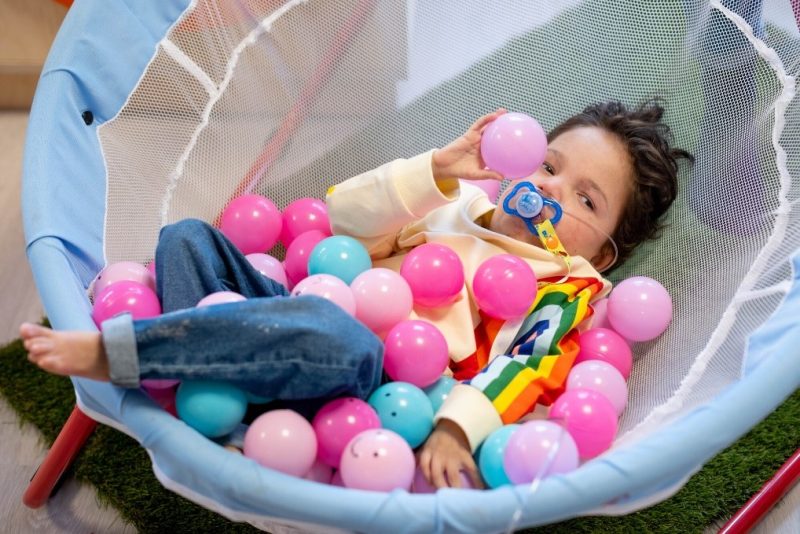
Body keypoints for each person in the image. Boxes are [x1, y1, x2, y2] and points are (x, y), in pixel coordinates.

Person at [20, 99, 692, 489]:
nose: (550, 188)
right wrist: (435, 170)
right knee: (187, 239)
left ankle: (132, 355)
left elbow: (526, 367)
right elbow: (345, 222)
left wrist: (458, 426)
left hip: (374, 379)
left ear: (601, 252)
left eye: (584, 198)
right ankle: (229, 393)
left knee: (327, 328)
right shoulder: (462, 202)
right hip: (305, 307)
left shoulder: (565, 287)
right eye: (550, 165)